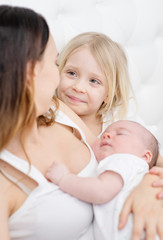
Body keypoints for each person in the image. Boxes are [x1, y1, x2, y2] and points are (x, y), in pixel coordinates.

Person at [0, 5, 163, 240]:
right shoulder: (7, 178)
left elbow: (152, 158)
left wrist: (150, 188)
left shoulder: (62, 113)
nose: (73, 85)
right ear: (31, 73)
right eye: (56, 64)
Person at [46, 120, 159, 240]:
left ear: (145, 156)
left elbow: (101, 191)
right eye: (102, 135)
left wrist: (64, 179)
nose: (106, 135)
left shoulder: (126, 160)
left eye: (121, 133)